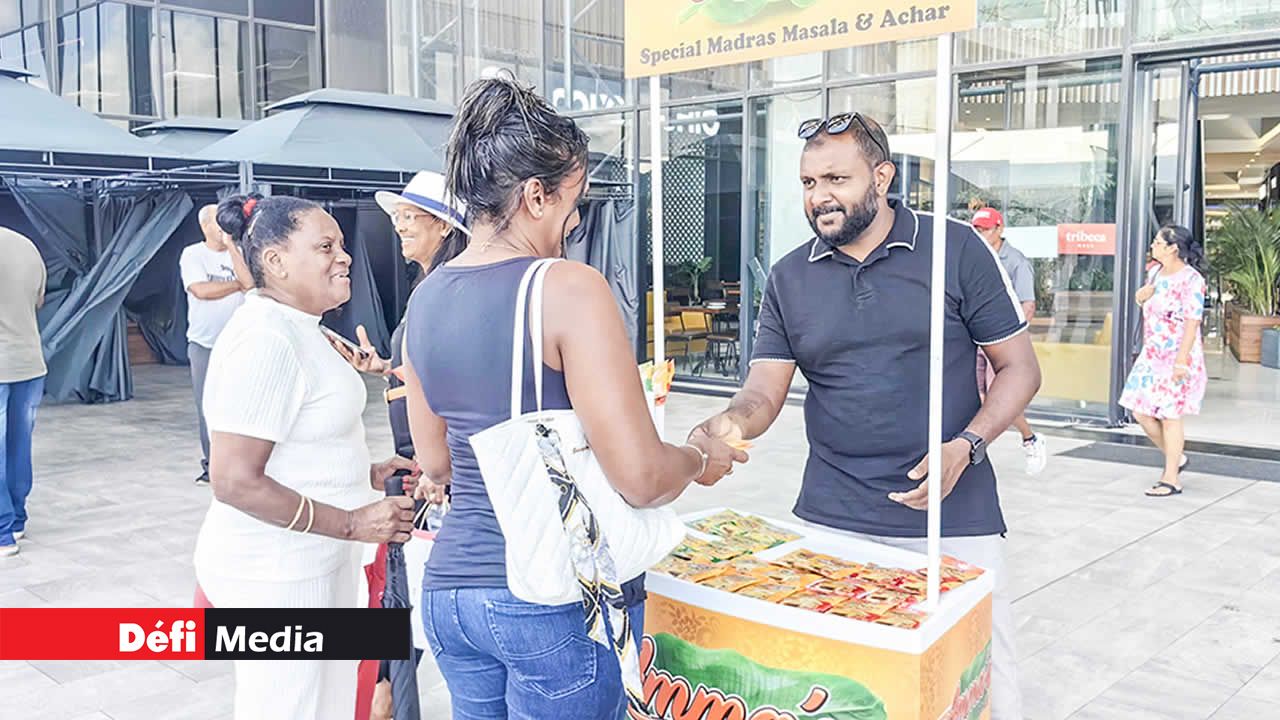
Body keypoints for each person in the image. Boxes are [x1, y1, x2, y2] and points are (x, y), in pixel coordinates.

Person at [399, 75, 746, 720]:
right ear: (536, 195)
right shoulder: (565, 287)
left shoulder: (424, 299)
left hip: (449, 595)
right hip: (546, 597)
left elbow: (437, 465)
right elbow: (642, 478)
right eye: (572, 201)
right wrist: (699, 458)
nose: (576, 220)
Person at [690, 113, 1041, 720]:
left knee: (979, 676)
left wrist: (968, 445)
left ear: (883, 176)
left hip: (953, 513)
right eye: (807, 182)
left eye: (835, 178)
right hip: (833, 515)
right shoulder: (789, 276)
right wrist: (726, 427)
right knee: (850, 685)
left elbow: (1020, 370)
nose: (818, 196)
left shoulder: (954, 248)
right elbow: (763, 394)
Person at [193, 194, 420, 720]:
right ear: (275, 262)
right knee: (288, 707)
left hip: (314, 561)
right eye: (324, 246)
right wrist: (350, 522)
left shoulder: (300, 328)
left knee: (330, 704)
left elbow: (296, 446)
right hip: (276, 573)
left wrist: (364, 474)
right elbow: (233, 480)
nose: (343, 257)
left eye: (341, 245)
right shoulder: (266, 339)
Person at [329, 170, 470, 720]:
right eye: (399, 219)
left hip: (431, 468)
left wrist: (438, 466)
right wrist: (388, 369)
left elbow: (451, 380)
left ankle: (388, 696)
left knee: (403, 590)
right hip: (414, 458)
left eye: (410, 219)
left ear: (443, 225)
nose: (401, 228)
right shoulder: (430, 286)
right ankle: (387, 691)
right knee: (399, 587)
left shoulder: (449, 287)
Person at [1120, 224, 1207, 497]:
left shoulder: (1192, 280)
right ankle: (1176, 457)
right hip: (1152, 353)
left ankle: (1171, 478)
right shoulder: (1155, 272)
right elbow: (1147, 300)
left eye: (1158, 242)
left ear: (1173, 248)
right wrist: (1140, 296)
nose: (1153, 246)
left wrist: (1181, 361)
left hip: (1178, 355)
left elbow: (1193, 322)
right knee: (1140, 411)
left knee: (1170, 416)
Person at [971, 207, 1048, 476]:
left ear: (1000, 229)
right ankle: (976, 449)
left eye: (985, 229)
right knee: (976, 396)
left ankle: (1030, 438)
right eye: (977, 229)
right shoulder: (974, 256)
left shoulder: (1016, 261)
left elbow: (1028, 305)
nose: (980, 234)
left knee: (1000, 396)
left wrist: (1010, 340)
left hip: (1001, 342)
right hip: (973, 338)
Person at [181, 205, 253, 485]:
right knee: (207, 406)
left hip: (240, 342)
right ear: (204, 226)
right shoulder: (193, 255)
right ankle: (214, 465)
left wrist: (232, 246)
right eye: (216, 222)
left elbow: (250, 283)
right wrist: (237, 284)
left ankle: (245, 463)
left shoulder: (240, 252)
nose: (222, 227)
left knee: (243, 404)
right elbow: (201, 290)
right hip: (205, 344)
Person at [0, 227, 47, 558]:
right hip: (29, 363)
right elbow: (38, 301)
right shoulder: (25, 244)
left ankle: (2, 533)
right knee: (18, 446)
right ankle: (16, 519)